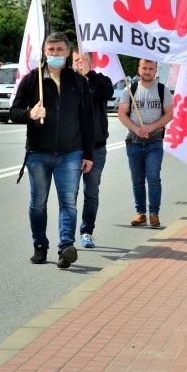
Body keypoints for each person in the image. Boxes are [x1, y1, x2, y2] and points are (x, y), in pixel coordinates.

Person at [10, 32, 95, 269]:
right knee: (38, 203)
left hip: (71, 153)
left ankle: (65, 247)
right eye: (51, 50)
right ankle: (40, 246)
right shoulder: (31, 80)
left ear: (68, 53)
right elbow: (14, 111)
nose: (55, 54)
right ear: (44, 52)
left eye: (59, 50)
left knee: (68, 202)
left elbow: (87, 121)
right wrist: (30, 114)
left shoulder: (79, 82)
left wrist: (87, 154)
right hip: (38, 153)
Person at [118, 59, 174, 228]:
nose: (147, 71)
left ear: (156, 70)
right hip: (134, 142)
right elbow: (122, 114)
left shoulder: (162, 90)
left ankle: (154, 213)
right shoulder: (130, 90)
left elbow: (169, 114)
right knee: (137, 180)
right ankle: (140, 213)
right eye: (144, 68)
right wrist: (136, 129)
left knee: (153, 177)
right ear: (139, 69)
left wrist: (152, 127)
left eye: (151, 68)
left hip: (154, 142)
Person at [72, 50, 114, 248]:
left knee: (91, 192)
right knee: (69, 193)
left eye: (84, 60)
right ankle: (66, 235)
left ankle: (87, 231)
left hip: (96, 147)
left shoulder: (100, 80)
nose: (79, 63)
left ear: (92, 61)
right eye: (76, 60)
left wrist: (89, 74)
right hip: (71, 148)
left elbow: (107, 93)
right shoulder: (65, 81)